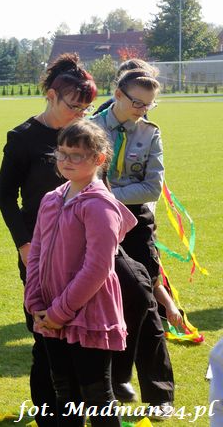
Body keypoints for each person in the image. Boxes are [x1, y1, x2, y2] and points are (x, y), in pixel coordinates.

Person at [0, 53, 98, 426]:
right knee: (45, 337)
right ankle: (49, 416)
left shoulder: (84, 134)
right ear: (51, 96)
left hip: (83, 253)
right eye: (73, 106)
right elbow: (6, 196)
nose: (79, 115)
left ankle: (76, 413)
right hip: (39, 252)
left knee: (81, 335)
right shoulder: (22, 138)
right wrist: (24, 245)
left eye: (85, 109)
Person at [25, 119, 136, 427]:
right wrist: (36, 303)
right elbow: (36, 254)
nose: (66, 160)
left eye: (76, 155)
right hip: (50, 314)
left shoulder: (100, 206)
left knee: (97, 395)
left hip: (89, 315)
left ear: (98, 159)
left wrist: (61, 311)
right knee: (64, 394)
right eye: (61, 153)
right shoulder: (51, 199)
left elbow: (98, 267)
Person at [91, 66, 177, 413]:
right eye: (138, 103)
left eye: (149, 105)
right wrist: (104, 198)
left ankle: (159, 396)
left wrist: (108, 194)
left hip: (137, 224)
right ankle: (104, 388)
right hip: (95, 223)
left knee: (147, 303)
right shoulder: (90, 130)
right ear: (117, 94)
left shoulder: (150, 134)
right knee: (97, 302)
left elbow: (152, 187)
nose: (143, 110)